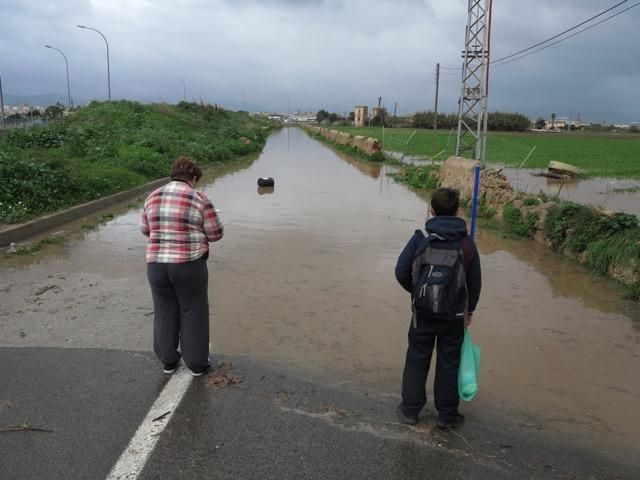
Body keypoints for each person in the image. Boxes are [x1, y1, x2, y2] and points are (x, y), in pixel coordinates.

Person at [394, 187, 481, 429]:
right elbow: (474, 282)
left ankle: (410, 411)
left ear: (431, 209)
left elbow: (401, 272)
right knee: (449, 361)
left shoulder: (421, 236)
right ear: (456, 211)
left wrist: (418, 293)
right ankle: (447, 415)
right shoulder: (466, 244)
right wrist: (469, 310)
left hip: (422, 313)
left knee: (416, 357)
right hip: (453, 315)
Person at [141, 156, 224, 376]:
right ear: (194, 178)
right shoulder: (199, 198)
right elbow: (215, 234)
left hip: (156, 266)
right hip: (188, 265)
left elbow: (145, 230)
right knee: (193, 310)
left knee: (164, 310)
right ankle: (197, 364)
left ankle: (168, 361)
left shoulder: (152, 196)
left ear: (173, 175)